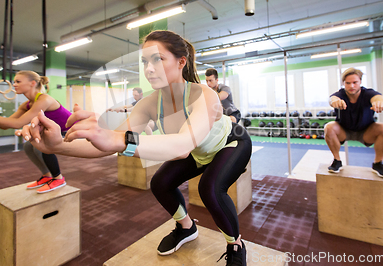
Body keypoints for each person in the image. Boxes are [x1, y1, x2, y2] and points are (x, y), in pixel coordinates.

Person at [17, 30, 252, 265]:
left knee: (210, 188)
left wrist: (118, 140)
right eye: (145, 61)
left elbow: (181, 146)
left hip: (231, 144)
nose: (149, 68)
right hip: (198, 152)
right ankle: (186, 227)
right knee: (160, 183)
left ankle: (235, 244)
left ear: (181, 62)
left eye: (157, 59)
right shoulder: (149, 103)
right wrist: (58, 146)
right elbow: (108, 144)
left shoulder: (205, 95)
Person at [0, 71, 70, 193]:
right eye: (14, 81)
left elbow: (18, 124)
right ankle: (47, 175)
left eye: (18, 81)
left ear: (32, 83)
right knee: (28, 145)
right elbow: (6, 124)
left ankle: (59, 179)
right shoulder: (26, 105)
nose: (14, 84)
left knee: (43, 145)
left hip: (69, 130)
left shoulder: (44, 99)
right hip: (52, 131)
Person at [324, 67, 383, 178]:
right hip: (344, 131)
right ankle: (337, 161)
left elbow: (379, 98)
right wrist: (334, 101)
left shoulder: (368, 93)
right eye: (348, 83)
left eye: (355, 82)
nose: (352, 86)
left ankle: (378, 163)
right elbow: (332, 99)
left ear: (360, 82)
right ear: (344, 83)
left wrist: (380, 103)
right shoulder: (340, 95)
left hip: (366, 132)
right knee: (329, 127)